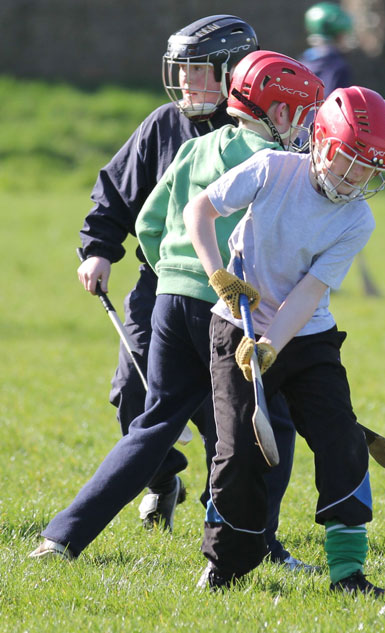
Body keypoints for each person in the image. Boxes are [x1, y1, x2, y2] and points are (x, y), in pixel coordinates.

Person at [28, 50, 324, 570]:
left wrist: (172, 271)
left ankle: (61, 537)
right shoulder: (277, 167)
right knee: (265, 427)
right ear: (278, 115)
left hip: (168, 299)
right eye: (299, 115)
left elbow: (150, 219)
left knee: (154, 424)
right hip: (223, 310)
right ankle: (260, 545)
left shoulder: (199, 146)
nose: (303, 127)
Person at [184, 85, 385, 599]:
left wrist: (272, 343)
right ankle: (226, 566)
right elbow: (201, 210)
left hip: (306, 336)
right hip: (234, 324)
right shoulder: (271, 170)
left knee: (343, 442)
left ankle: (348, 573)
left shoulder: (357, 219)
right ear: (322, 142)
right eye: (349, 163)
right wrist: (219, 277)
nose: (356, 181)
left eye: (370, 172)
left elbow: (309, 293)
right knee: (238, 453)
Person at [75, 14, 262, 531]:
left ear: (232, 73)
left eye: (198, 70)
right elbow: (116, 192)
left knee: (222, 406)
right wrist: (98, 250)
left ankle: (218, 507)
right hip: (162, 287)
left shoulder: (262, 134)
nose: (185, 81)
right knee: (131, 394)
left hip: (235, 293)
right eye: (181, 69)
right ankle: (162, 482)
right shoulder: (163, 124)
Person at [299, 2, 381, 296]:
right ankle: (323, 276)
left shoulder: (302, 61)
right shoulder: (339, 65)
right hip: (331, 146)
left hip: (299, 142)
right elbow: (341, 106)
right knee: (337, 211)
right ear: (338, 34)